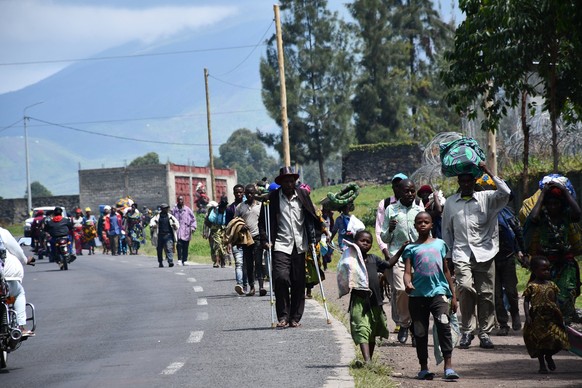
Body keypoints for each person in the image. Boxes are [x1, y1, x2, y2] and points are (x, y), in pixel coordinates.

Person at [442, 161, 511, 349]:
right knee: (464, 288)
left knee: (486, 294)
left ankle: (485, 333)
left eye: (469, 181)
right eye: (462, 181)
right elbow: (446, 230)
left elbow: (506, 192)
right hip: (461, 253)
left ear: (474, 181)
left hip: (485, 252)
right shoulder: (450, 203)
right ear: (458, 182)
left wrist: (488, 171)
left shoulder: (487, 198)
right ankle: (467, 331)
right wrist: (447, 256)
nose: (465, 184)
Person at [259, 166, 322, 328]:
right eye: (285, 181)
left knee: (298, 282)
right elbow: (263, 222)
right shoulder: (272, 198)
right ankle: (283, 316)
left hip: (300, 245)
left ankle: (295, 317)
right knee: (280, 278)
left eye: (291, 181)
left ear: (295, 181)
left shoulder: (302, 195)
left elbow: (312, 216)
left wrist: (314, 237)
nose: (289, 184)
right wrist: (265, 240)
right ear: (280, 182)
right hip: (280, 244)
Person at [403, 212, 459, 380]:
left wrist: (453, 295)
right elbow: (407, 272)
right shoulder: (410, 248)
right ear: (414, 225)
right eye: (419, 222)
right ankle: (424, 368)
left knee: (443, 325)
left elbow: (447, 271)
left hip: (439, 293)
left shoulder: (440, 244)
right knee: (420, 331)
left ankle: (448, 367)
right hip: (417, 296)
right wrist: (407, 283)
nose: (422, 225)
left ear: (432, 224)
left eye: (426, 222)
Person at [524, 180, 582, 324]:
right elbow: (532, 218)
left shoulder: (566, 216)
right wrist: (542, 194)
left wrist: (565, 191)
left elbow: (578, 213)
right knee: (543, 296)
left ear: (561, 204)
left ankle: (564, 329)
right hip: (545, 264)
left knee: (565, 297)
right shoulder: (542, 216)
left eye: (556, 203)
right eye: (549, 203)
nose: (552, 207)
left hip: (565, 264)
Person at [381, 178, 424, 345]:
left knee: (417, 293)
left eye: (413, 191)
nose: (410, 194)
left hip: (417, 257)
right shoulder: (391, 210)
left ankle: (416, 329)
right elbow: (384, 237)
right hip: (398, 256)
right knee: (401, 289)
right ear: (399, 191)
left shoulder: (418, 210)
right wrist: (390, 229)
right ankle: (405, 323)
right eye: (406, 191)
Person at [341, 230, 390, 366]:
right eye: (362, 240)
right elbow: (343, 272)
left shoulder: (374, 259)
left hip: (375, 301)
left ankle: (368, 361)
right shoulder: (351, 260)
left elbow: (389, 264)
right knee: (362, 328)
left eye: (368, 242)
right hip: (359, 300)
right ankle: (367, 360)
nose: (365, 243)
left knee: (373, 330)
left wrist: (402, 248)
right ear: (355, 242)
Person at [523, 256, 570, 374]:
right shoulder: (532, 286)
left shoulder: (552, 285)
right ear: (534, 270)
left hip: (552, 317)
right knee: (540, 342)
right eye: (544, 269)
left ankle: (549, 356)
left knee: (559, 339)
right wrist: (527, 316)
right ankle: (542, 365)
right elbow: (526, 301)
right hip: (537, 319)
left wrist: (559, 314)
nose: (547, 272)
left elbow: (556, 301)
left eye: (548, 269)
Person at [375, 172, 407, 334]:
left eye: (402, 185)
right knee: (396, 289)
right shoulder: (386, 204)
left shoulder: (415, 203)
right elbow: (379, 230)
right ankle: (399, 321)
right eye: (396, 185)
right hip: (392, 253)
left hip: (412, 253)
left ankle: (410, 319)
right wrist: (386, 253)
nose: (400, 188)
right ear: (393, 187)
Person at [494, 203, 526, 336]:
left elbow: (517, 232)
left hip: (507, 257)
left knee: (511, 290)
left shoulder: (506, 213)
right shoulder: (482, 214)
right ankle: (503, 323)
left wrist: (522, 251)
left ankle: (515, 313)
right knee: (496, 294)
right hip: (490, 259)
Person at [0, 227, 35, 336]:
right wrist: (25, 260)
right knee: (18, 294)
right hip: (7, 276)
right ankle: (21, 326)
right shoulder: (2, 232)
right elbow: (17, 250)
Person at [234, 184, 265, 296]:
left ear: (255, 193)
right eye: (247, 193)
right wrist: (241, 227)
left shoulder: (260, 206)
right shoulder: (240, 207)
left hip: (257, 238)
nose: (250, 195)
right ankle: (252, 287)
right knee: (248, 264)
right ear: (245, 194)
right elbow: (235, 223)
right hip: (246, 239)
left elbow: (264, 222)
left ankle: (261, 286)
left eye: (251, 193)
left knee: (258, 262)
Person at [226, 184, 248, 295]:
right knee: (239, 263)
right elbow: (228, 227)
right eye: (236, 192)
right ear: (234, 193)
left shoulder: (247, 206)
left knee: (247, 263)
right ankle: (239, 284)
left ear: (243, 192)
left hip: (247, 239)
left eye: (240, 192)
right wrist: (228, 242)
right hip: (235, 240)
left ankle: (246, 284)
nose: (238, 194)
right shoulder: (230, 209)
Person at [149, 203, 179, 267]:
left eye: (167, 208)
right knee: (159, 250)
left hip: (168, 235)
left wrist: (174, 225)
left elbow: (176, 223)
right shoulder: (157, 217)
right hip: (159, 235)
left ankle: (170, 261)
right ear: (162, 209)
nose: (166, 209)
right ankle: (160, 262)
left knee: (169, 248)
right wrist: (153, 226)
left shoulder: (170, 217)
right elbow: (152, 223)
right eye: (165, 208)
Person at [172, 196, 197, 265]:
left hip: (186, 230)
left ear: (183, 201)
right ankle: (179, 259)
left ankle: (185, 260)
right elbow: (171, 218)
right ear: (177, 200)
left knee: (185, 246)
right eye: (179, 200)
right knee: (179, 245)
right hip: (178, 230)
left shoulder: (187, 210)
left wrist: (193, 228)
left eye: (181, 200)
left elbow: (193, 219)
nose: (180, 201)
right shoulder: (174, 210)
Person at [204, 197, 229, 268]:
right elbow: (210, 219)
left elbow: (227, 221)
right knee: (217, 246)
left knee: (224, 245)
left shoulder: (226, 211)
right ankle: (217, 261)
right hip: (215, 230)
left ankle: (223, 261)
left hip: (224, 230)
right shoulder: (215, 210)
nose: (222, 209)